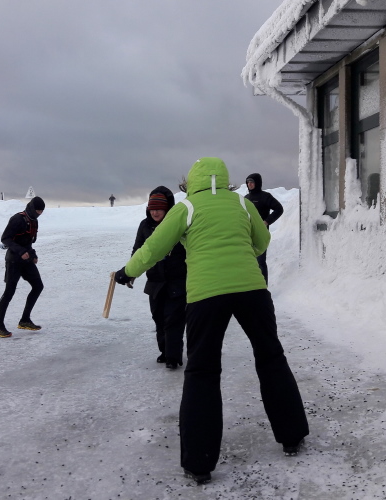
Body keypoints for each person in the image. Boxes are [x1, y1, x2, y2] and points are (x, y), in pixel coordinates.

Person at [114, 157, 308, 484]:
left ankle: (199, 463)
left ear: (190, 183)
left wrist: (127, 272)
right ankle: (292, 436)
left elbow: (153, 248)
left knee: (202, 371)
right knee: (271, 357)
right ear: (226, 179)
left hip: (207, 295)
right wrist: (239, 253)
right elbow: (262, 241)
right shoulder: (242, 203)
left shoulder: (186, 208)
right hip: (252, 291)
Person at [129, 187, 187, 369]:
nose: (155, 212)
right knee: (159, 318)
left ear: (167, 208)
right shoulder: (145, 226)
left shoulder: (178, 224)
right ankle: (165, 352)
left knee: (173, 319)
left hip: (177, 280)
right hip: (155, 281)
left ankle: (173, 356)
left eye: (159, 208)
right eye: (152, 208)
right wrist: (132, 272)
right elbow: (138, 250)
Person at [0, 197, 46, 338]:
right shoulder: (17, 219)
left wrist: (32, 254)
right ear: (32, 208)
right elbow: (5, 238)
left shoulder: (34, 220)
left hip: (26, 259)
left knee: (38, 286)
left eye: (42, 211)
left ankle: (25, 320)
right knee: (9, 292)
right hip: (13, 260)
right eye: (38, 210)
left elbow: (28, 241)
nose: (40, 213)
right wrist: (21, 251)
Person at [244, 173, 283, 284]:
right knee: (249, 261)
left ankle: (263, 286)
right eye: (248, 182)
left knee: (260, 261)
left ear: (257, 183)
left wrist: (266, 222)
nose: (249, 184)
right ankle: (252, 285)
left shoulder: (265, 196)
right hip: (248, 233)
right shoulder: (246, 198)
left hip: (261, 233)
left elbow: (279, 209)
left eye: (252, 182)